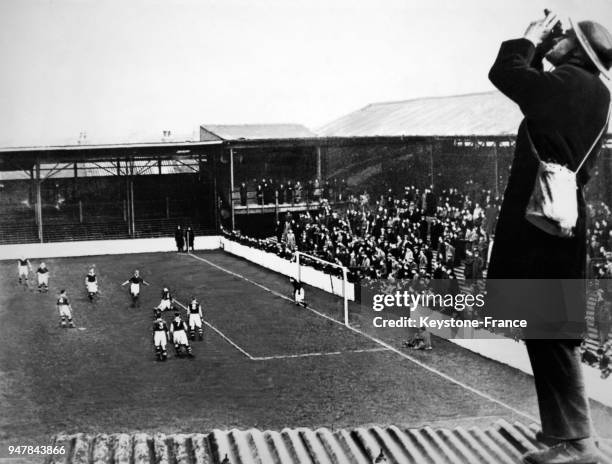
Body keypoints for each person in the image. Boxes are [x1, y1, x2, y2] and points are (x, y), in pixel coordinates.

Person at [486, 12, 611, 464]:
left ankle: (580, 443)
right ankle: (564, 434)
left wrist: (528, 38)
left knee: (553, 333)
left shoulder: (569, 85)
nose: (552, 41)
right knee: (545, 329)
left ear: (575, 51)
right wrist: (539, 51)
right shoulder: (593, 92)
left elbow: (506, 73)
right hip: (561, 222)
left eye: (560, 38)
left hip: (542, 227)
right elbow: (538, 94)